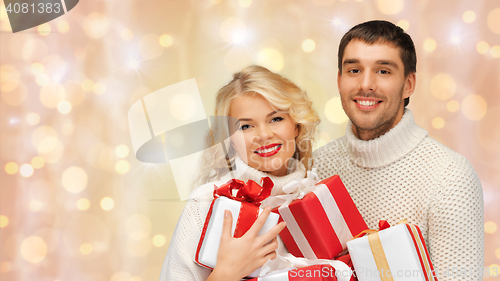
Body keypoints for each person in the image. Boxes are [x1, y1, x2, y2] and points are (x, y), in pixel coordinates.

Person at [313, 20, 484, 280]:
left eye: (383, 71)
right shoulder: (316, 167)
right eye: (354, 70)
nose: (366, 84)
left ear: (408, 84)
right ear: (339, 81)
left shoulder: (451, 177)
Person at [160, 65, 320, 281]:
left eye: (276, 119)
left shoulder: (317, 197)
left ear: (297, 126)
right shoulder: (206, 202)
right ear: (230, 140)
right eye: (246, 127)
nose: (263, 135)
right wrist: (227, 273)